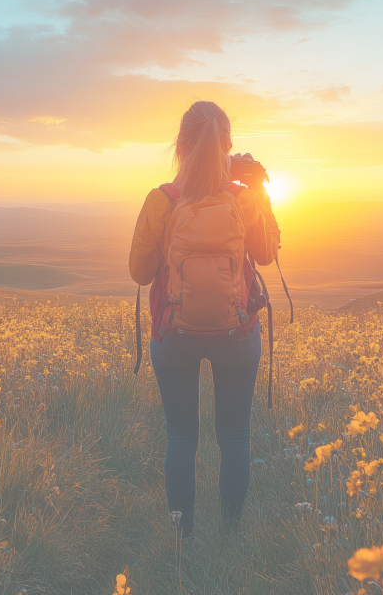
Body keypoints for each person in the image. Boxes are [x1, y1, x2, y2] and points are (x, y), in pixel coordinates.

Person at [128, 101, 281, 537]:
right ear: (228, 147)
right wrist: (258, 192)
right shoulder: (244, 198)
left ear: (179, 147)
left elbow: (139, 273)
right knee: (234, 435)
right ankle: (231, 537)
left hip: (174, 333)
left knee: (181, 435)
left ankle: (184, 537)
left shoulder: (162, 200)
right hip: (237, 331)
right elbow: (268, 256)